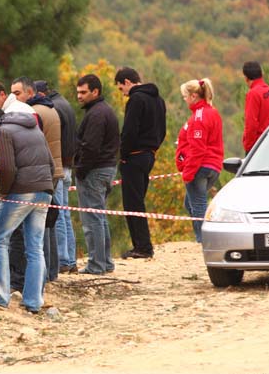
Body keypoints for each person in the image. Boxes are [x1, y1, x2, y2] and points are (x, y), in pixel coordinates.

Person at [0, 110, 55, 314]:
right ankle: (34, 301)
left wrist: (3, 193)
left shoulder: (2, 131)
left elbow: (7, 168)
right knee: (35, 247)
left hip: (20, 192)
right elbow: (51, 164)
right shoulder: (35, 129)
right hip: (44, 189)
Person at [11, 76, 63, 282]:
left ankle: (44, 275)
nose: (13, 98)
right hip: (51, 169)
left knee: (39, 229)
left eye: (17, 93)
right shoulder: (49, 108)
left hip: (42, 172)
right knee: (48, 224)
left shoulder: (33, 113)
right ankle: (50, 271)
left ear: (30, 93)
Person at [114, 67, 167, 259]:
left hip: (134, 156)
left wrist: (122, 154)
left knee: (132, 203)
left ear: (127, 82)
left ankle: (143, 247)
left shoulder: (136, 99)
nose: (123, 93)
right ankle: (141, 245)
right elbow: (162, 130)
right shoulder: (158, 100)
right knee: (138, 199)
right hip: (149, 155)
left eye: (121, 88)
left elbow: (129, 131)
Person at [74, 74, 120, 274]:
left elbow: (90, 147)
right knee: (99, 217)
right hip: (105, 168)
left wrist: (81, 170)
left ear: (95, 91)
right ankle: (105, 262)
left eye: (83, 92)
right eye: (78, 92)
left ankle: (97, 264)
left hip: (95, 170)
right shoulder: (102, 110)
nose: (79, 96)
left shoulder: (97, 114)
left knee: (92, 219)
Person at [35, 80, 78, 274]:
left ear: (41, 94)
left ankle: (63, 259)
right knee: (64, 214)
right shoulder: (64, 104)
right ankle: (70, 258)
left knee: (58, 215)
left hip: (58, 167)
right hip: (67, 165)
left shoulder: (53, 108)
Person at [176, 79, 224, 243]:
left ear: (194, 96)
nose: (184, 99)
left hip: (200, 166)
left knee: (198, 205)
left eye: (185, 96)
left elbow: (198, 149)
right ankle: (206, 237)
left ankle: (204, 241)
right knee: (190, 204)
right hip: (214, 166)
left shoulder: (198, 117)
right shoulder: (213, 112)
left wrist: (188, 173)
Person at [242, 61, 269, 154]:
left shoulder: (253, 94)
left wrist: (248, 147)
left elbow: (251, 123)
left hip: (258, 146)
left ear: (246, 78)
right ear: (261, 74)